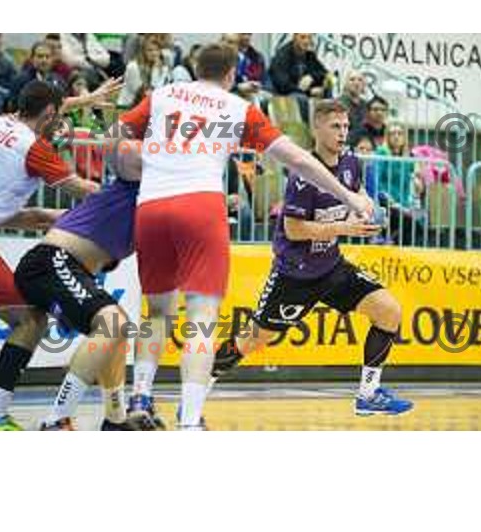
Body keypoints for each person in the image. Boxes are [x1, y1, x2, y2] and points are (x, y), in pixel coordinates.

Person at [114, 44, 373, 430]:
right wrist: (349, 195)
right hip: (200, 205)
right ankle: (189, 420)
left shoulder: (161, 95)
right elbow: (299, 160)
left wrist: (131, 165)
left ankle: (140, 397)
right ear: (232, 75)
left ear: (195, 67)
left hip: (150, 207)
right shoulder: (237, 107)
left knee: (157, 313)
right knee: (201, 317)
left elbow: (118, 136)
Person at [209, 100, 413, 417]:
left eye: (346, 126)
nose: (343, 133)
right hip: (295, 276)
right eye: (335, 126)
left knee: (389, 311)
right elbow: (293, 229)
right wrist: (343, 227)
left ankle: (368, 394)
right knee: (252, 340)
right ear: (316, 128)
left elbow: (358, 194)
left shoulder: (351, 163)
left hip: (331, 266)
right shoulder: (303, 175)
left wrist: (366, 206)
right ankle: (199, 386)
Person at [0, 81, 100, 431]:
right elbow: (84, 189)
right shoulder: (34, 149)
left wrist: (46, 218)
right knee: (31, 320)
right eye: (58, 115)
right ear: (50, 115)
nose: (59, 122)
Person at [0, 177, 164, 431]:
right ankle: (56, 419)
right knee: (114, 324)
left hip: (67, 268)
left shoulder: (148, 212)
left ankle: (115, 419)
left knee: (116, 331)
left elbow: (41, 216)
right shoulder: (131, 187)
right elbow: (41, 215)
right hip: (50, 263)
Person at [268, 33, 331, 120]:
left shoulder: (309, 55)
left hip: (305, 93)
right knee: (300, 98)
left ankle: (327, 125)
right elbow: (283, 85)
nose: (306, 41)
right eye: (303, 37)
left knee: (328, 90)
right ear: (294, 37)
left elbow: (325, 73)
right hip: (285, 95)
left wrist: (312, 77)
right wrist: (309, 92)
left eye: (309, 38)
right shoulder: (282, 56)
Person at [118, 36, 172, 107]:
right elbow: (141, 93)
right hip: (129, 106)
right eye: (150, 50)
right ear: (143, 52)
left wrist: (159, 69)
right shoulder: (133, 67)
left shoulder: (162, 67)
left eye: (157, 50)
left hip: (151, 105)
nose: (154, 53)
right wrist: (155, 70)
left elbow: (165, 88)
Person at [9, 42, 65, 109]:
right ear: (32, 59)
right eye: (40, 56)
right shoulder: (21, 80)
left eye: (47, 57)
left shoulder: (59, 80)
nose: (44, 60)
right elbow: (13, 105)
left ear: (52, 59)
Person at [339, 70, 368, 134]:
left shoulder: (366, 105)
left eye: (360, 80)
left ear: (363, 85)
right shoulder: (338, 104)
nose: (356, 83)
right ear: (346, 84)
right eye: (352, 79)